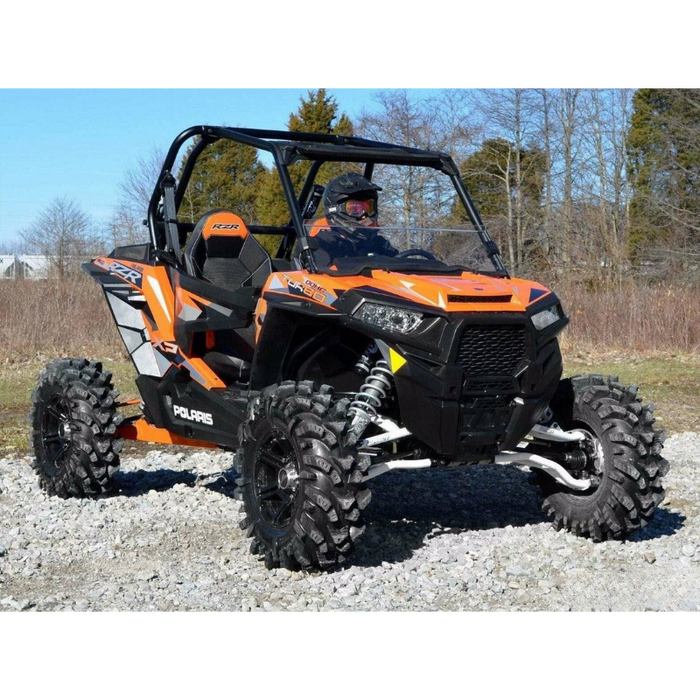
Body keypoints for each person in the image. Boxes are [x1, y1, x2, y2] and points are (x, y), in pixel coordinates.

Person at [305, 173, 398, 268]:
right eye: (355, 209)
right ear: (335, 209)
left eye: (369, 208)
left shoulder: (378, 244)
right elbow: (321, 278)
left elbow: (400, 265)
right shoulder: (323, 244)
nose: (364, 215)